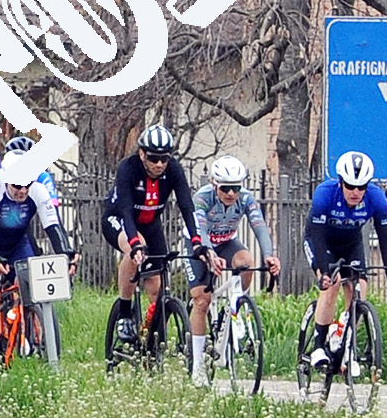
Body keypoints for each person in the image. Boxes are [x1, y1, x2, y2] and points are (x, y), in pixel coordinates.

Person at [302, 151, 387, 370]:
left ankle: (346, 342)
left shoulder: (376, 197)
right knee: (332, 284)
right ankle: (318, 347)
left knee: (360, 288)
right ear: (340, 182)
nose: (356, 192)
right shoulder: (325, 194)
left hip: (351, 243)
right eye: (350, 186)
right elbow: (317, 234)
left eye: (361, 187)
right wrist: (324, 271)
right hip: (321, 241)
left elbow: (385, 235)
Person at [0, 148, 56, 362]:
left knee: (31, 288)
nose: (23, 190)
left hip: (16, 244)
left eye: (27, 184)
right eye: (17, 185)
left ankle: (32, 338)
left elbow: (53, 227)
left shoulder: (38, 191)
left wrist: (68, 254)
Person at [186, 156, 269, 382]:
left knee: (247, 262)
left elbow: (259, 227)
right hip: (199, 244)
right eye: (225, 188)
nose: (231, 193)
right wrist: (209, 254)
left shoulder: (246, 198)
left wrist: (269, 255)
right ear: (215, 184)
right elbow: (201, 230)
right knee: (202, 300)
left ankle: (237, 306)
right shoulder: (202, 198)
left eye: (236, 188)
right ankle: (197, 367)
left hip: (226, 241)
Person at [104, 123, 190, 315]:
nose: (159, 164)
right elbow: (126, 210)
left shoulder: (173, 170)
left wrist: (197, 241)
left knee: (157, 289)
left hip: (150, 224)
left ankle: (154, 329)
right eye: (153, 158)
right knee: (136, 249)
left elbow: (186, 207)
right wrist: (134, 244)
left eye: (164, 158)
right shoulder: (128, 168)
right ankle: (124, 312)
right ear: (142, 154)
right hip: (119, 219)